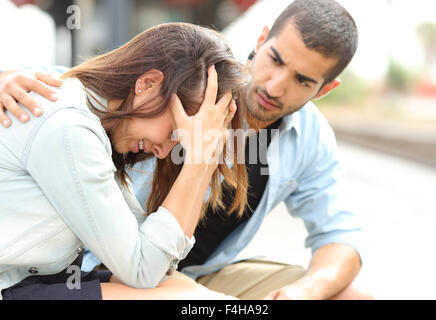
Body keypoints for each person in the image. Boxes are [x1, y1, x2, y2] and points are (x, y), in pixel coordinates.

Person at [0, 0, 374, 300]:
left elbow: (339, 233)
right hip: (115, 267)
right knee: (188, 298)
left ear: (324, 90)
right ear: (261, 40)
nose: (275, 86)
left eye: (302, 80)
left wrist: (307, 291)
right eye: (275, 60)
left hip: (195, 269)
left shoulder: (310, 137)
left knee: (351, 297)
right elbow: (84, 88)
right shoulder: (189, 87)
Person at [0, 22, 250, 300]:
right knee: (184, 299)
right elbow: (142, 269)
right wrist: (199, 161)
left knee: (184, 290)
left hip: (30, 283)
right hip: (11, 286)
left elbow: (159, 264)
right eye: (172, 133)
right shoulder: (68, 127)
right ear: (148, 83)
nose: (163, 152)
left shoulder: (95, 124)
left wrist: (205, 158)